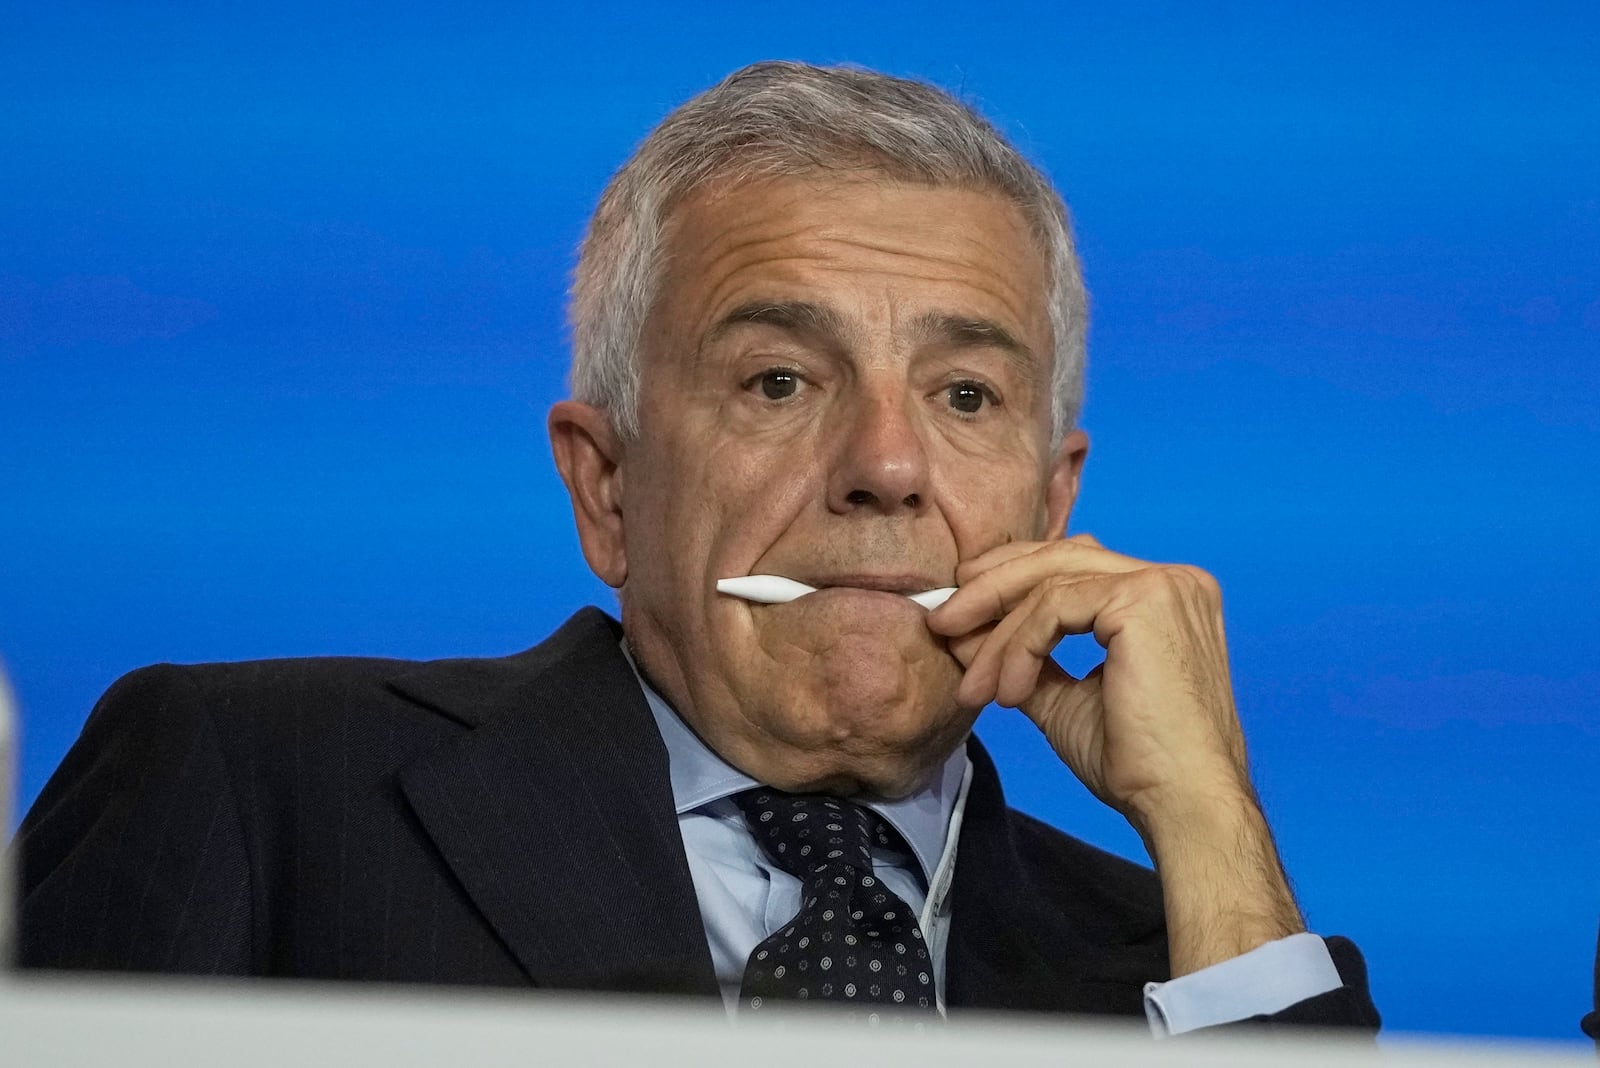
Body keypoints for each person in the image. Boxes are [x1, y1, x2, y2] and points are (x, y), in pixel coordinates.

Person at [14, 61, 1377, 1034]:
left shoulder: (1182, 961)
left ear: (1053, 499)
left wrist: (1207, 818)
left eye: (967, 396)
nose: (888, 469)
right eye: (781, 381)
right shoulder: (253, 788)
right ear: (605, 486)